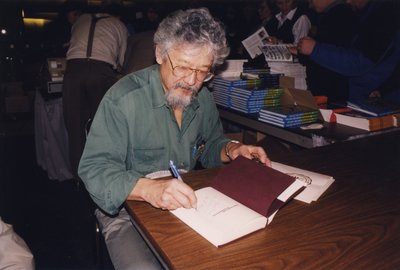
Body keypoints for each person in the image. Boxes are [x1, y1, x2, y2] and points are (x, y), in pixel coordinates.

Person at [78, 7, 270, 269]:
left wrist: (232, 149)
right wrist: (149, 189)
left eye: (203, 71)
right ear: (159, 54)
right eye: (182, 67)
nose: (191, 81)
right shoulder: (122, 99)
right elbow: (94, 170)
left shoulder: (202, 97)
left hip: (187, 201)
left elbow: (210, 145)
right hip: (127, 210)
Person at [62, 2, 129, 180]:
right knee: (102, 124)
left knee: (75, 125)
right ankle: (102, 173)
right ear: (119, 16)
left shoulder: (81, 19)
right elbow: (122, 62)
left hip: (73, 71)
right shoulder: (119, 25)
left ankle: (78, 177)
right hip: (101, 71)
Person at [296, 0, 400, 102]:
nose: (348, 1)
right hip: (371, 94)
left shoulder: (385, 11)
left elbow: (361, 61)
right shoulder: (378, 10)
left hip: (375, 98)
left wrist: (315, 49)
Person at [303, 0, 355, 101]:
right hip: (330, 88)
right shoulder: (334, 13)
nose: (310, 5)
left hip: (331, 90)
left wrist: (309, 51)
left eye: (311, 1)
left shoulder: (340, 14)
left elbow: (333, 55)